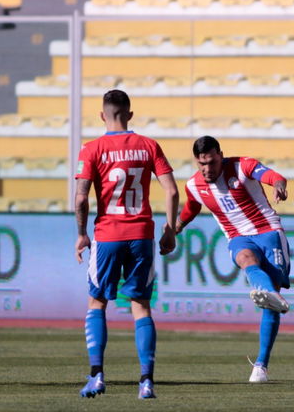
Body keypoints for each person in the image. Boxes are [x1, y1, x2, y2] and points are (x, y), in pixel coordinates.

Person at [74, 89, 179, 399]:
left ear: (102, 115)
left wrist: (82, 233)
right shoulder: (149, 146)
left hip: (108, 234)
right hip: (141, 235)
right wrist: (170, 230)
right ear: (130, 114)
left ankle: (97, 376)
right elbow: (172, 191)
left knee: (97, 302)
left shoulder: (91, 149)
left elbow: (81, 198)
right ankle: (146, 381)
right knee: (141, 305)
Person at [176, 135, 291, 384]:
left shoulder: (242, 166)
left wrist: (278, 185)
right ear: (196, 161)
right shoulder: (194, 185)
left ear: (221, 155)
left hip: (269, 232)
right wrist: (176, 227)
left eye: (212, 162)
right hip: (237, 237)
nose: (207, 169)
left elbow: (273, 176)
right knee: (246, 261)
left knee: (270, 304)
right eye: (202, 164)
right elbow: (191, 207)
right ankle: (269, 293)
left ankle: (261, 364)